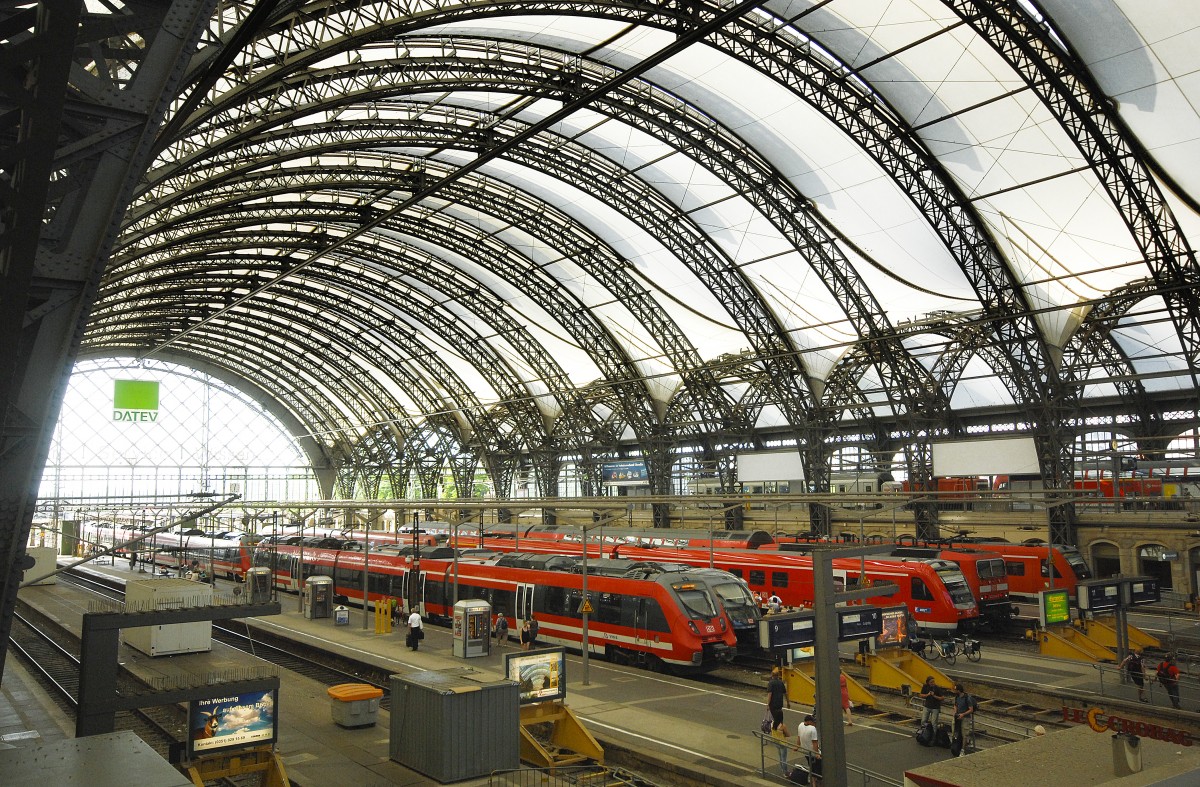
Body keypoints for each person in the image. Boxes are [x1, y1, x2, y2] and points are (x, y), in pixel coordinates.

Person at [795, 714, 821, 784]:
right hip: (813, 753)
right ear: (809, 722)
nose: (814, 724)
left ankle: (813, 784)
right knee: (819, 770)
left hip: (806, 751)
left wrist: (797, 746)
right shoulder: (812, 729)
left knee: (812, 768)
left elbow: (799, 737)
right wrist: (817, 753)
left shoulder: (800, 725)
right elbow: (815, 743)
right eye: (813, 722)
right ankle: (819, 783)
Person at [951, 683, 975, 757]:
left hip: (965, 718)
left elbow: (971, 710)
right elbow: (955, 705)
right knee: (955, 732)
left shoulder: (967, 698)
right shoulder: (957, 697)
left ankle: (963, 750)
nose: (954, 691)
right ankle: (956, 746)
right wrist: (955, 712)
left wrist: (963, 714)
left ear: (959, 690)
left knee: (965, 734)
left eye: (955, 690)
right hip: (957, 716)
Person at [766, 666, 790, 733]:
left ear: (772, 675)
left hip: (773, 705)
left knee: (775, 719)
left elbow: (769, 694)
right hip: (779, 704)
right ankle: (778, 729)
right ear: (778, 676)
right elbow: (785, 693)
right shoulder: (781, 683)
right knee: (779, 718)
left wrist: (768, 704)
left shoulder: (771, 683)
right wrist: (788, 703)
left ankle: (774, 730)